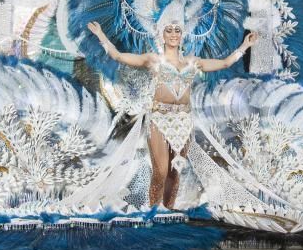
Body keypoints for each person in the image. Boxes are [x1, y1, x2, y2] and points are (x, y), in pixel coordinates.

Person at [88, 20, 257, 209]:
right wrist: (101, 34)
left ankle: (167, 212)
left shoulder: (193, 62)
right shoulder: (154, 60)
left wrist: (245, 45)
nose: (174, 34)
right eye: (169, 30)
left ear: (182, 34)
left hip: (184, 122)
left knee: (174, 173)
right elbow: (118, 56)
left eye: (177, 30)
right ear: (163, 34)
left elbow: (225, 63)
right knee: (160, 171)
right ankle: (152, 212)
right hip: (159, 119)